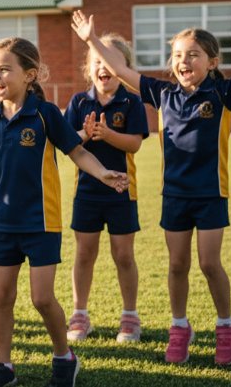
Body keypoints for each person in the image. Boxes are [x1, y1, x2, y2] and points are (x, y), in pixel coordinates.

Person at [71, 5, 231, 366]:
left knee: (209, 263)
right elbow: (121, 69)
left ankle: (227, 327)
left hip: (211, 195)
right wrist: (90, 38)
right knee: (178, 264)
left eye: (193, 55)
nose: (183, 61)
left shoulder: (224, 94)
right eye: (178, 55)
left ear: (212, 62)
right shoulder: (163, 94)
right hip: (175, 196)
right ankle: (179, 328)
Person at [0, 37, 128, 387]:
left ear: (30, 75)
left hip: (42, 221)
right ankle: (3, 366)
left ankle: (64, 357)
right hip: (4, 223)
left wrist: (103, 173)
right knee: (1, 297)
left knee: (42, 298)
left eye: (4, 70)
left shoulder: (45, 114)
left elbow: (76, 151)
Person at [62, 34, 149, 344]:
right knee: (84, 254)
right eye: (98, 61)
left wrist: (108, 133)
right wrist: (85, 134)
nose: (104, 68)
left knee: (123, 255)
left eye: (111, 63)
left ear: (123, 68)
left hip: (122, 192)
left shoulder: (132, 102)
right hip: (86, 192)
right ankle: (80, 314)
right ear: (89, 67)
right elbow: (68, 144)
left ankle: (130, 317)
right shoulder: (78, 102)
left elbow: (135, 144)